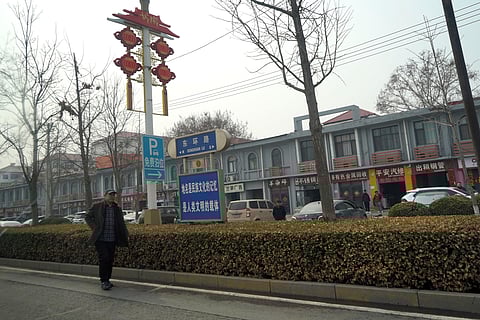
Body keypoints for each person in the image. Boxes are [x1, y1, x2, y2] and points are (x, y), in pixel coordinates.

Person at [85, 190, 129, 290]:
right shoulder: (97, 206)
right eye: (110, 195)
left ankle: (108, 279)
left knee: (110, 259)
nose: (112, 197)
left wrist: (126, 234)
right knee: (104, 258)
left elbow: (121, 222)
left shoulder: (116, 208)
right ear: (105, 196)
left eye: (113, 195)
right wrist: (94, 227)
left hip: (112, 238)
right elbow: (87, 217)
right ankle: (103, 280)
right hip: (101, 238)